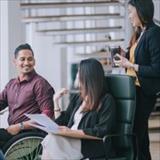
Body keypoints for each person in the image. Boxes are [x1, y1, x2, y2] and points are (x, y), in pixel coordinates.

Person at [41, 58, 116, 160]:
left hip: (90, 145)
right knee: (51, 139)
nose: (77, 75)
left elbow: (101, 131)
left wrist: (69, 132)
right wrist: (56, 101)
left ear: (88, 76)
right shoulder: (78, 97)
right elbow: (63, 122)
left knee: (52, 141)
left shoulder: (106, 100)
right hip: (70, 140)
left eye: (79, 72)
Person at [113, 0, 160, 159]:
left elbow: (157, 68)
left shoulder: (154, 33)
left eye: (131, 12)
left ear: (141, 11)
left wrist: (132, 65)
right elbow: (138, 60)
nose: (129, 16)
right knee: (139, 134)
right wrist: (125, 58)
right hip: (134, 90)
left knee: (137, 133)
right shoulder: (141, 33)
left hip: (144, 92)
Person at [0, 43, 55, 149]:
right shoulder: (11, 84)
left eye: (30, 59)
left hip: (29, 134)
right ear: (15, 62)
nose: (26, 63)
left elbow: (47, 117)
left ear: (34, 61)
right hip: (14, 133)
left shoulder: (40, 83)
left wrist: (20, 126)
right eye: (22, 59)